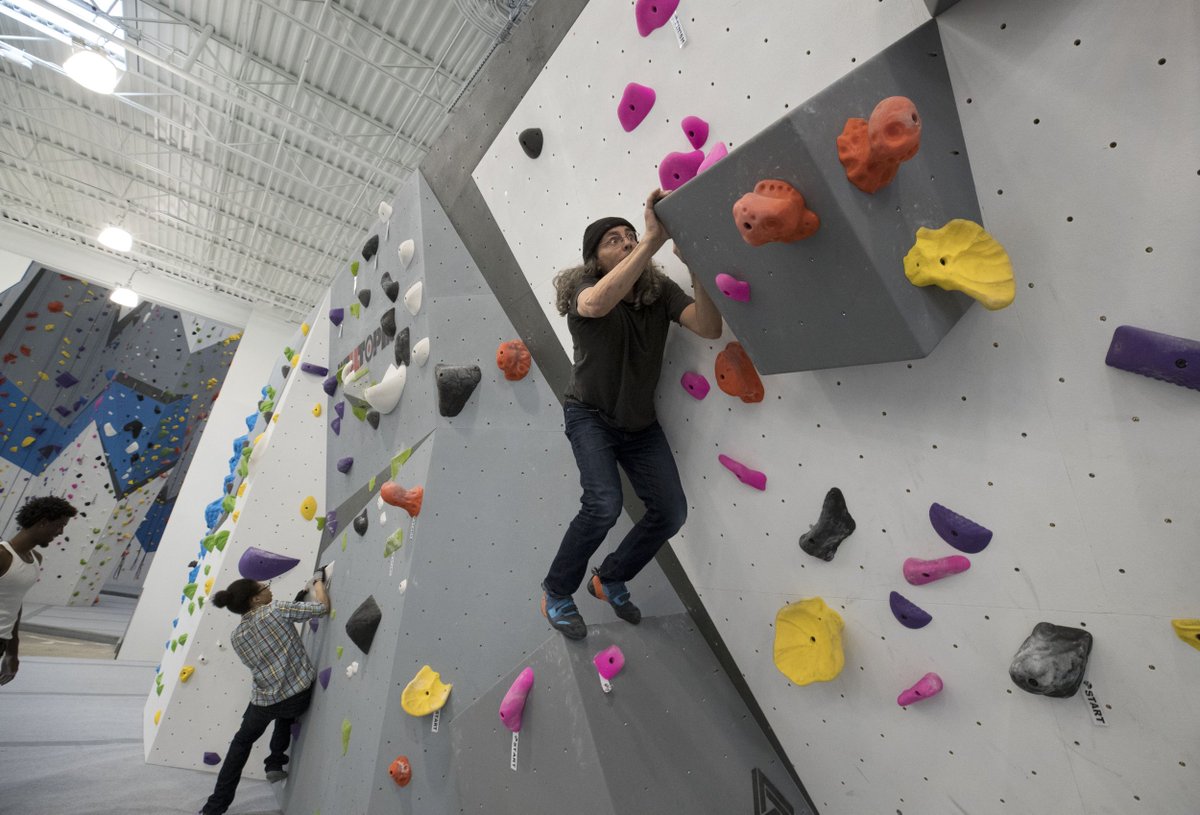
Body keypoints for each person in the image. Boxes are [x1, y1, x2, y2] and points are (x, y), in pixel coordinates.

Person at [540, 188, 723, 639]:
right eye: (613, 241)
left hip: (639, 425)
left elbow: (709, 326)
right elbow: (598, 304)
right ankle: (558, 591)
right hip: (590, 415)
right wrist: (650, 240)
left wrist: (695, 259)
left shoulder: (658, 293)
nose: (624, 242)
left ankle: (611, 576)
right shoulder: (585, 291)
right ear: (595, 260)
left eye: (628, 236)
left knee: (671, 512)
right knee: (604, 504)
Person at [200, 571, 329, 815]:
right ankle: (275, 760)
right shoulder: (276, 610)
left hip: (263, 701)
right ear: (255, 600)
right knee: (286, 706)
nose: (269, 589)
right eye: (264, 588)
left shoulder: (236, 636)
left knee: (241, 742)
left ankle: (215, 807)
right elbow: (322, 608)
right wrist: (319, 581)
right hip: (296, 696)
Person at [0, 496, 78, 685]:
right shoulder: (2, 556)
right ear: (43, 522)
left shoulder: (36, 559)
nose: (60, 532)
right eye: (59, 525)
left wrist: (12, 650)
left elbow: (15, 603)